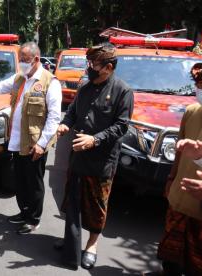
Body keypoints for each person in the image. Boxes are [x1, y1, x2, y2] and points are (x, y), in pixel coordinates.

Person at [0, 42, 62, 234]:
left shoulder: (51, 82)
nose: (22, 63)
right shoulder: (19, 79)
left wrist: (42, 144)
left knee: (34, 183)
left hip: (35, 144)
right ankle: (24, 212)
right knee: (21, 181)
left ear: (36, 60)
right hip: (17, 142)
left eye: (25, 60)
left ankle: (33, 220)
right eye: (21, 60)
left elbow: (54, 117)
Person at [55, 43, 134, 270]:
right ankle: (72, 240)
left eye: (94, 65)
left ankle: (91, 245)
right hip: (77, 156)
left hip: (101, 161)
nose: (89, 68)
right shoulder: (85, 87)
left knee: (96, 207)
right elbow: (72, 113)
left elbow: (121, 127)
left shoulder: (123, 91)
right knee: (73, 201)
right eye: (89, 63)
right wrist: (64, 125)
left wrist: (94, 139)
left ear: (108, 68)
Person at [156, 63, 202, 275]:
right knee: (170, 259)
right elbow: (179, 152)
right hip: (179, 199)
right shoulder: (192, 112)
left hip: (199, 209)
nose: (199, 90)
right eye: (199, 85)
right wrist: (171, 178)